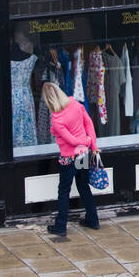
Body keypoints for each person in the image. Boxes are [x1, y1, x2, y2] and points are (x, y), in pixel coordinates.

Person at [43, 81, 100, 236]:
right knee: (83, 186)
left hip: (69, 157)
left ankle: (61, 226)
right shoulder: (75, 104)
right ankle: (93, 220)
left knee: (64, 191)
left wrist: (87, 142)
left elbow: (71, 141)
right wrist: (91, 144)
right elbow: (89, 124)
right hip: (83, 154)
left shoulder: (56, 118)